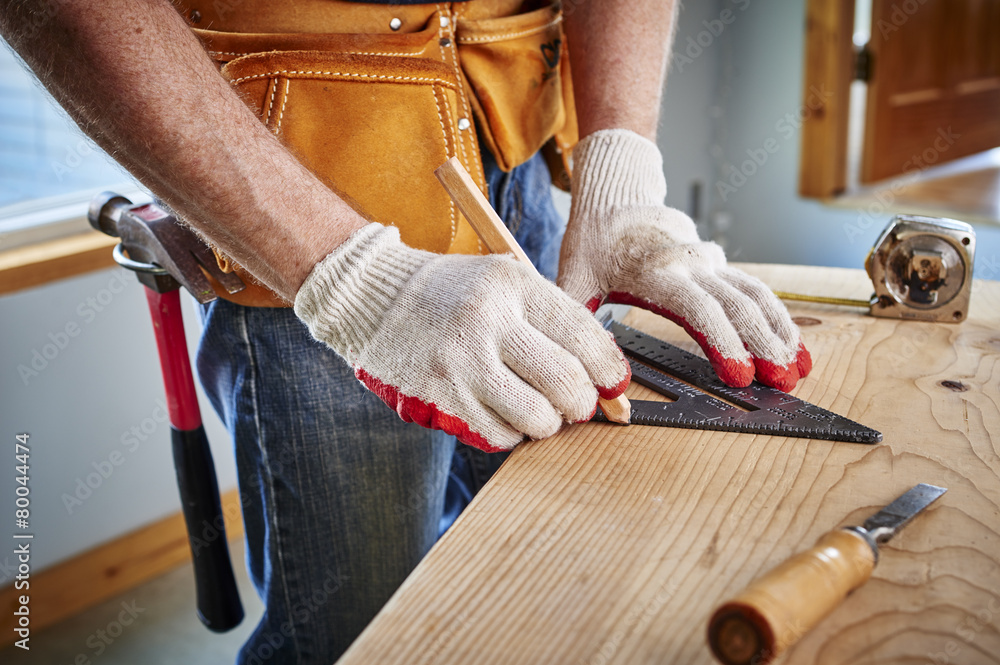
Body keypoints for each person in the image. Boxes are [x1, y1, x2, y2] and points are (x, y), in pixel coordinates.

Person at [1, 1, 810, 662]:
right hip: (310, 210)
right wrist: (355, 283)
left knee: (527, 571)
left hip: (510, 150)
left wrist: (622, 177)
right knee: (354, 633)